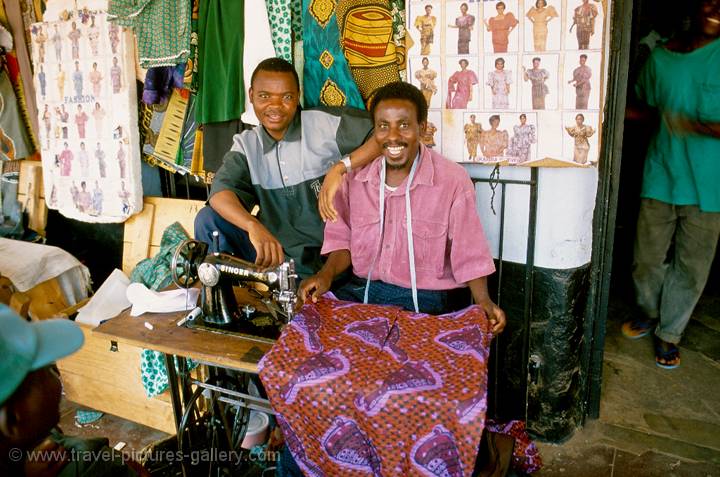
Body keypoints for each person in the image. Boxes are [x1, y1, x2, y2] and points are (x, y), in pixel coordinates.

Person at [299, 81, 506, 328]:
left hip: (427, 299)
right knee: (309, 339)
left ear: (423, 127)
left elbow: (469, 252)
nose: (393, 136)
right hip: (364, 292)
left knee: (418, 363)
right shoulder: (354, 180)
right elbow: (342, 242)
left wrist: (483, 300)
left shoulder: (452, 180)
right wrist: (325, 275)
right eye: (383, 127)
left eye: (404, 125)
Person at [194, 58, 380, 279]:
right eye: (264, 96)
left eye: (286, 97)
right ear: (251, 95)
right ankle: (228, 293)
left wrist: (340, 167)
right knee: (208, 220)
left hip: (332, 254)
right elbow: (219, 194)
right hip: (275, 254)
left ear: (298, 95)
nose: (275, 106)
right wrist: (253, 225)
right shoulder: (247, 144)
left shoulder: (324, 124)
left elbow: (383, 133)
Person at [621, 0, 720, 369]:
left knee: (692, 267)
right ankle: (648, 310)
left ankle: (670, 333)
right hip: (661, 175)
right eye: (709, 0)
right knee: (645, 260)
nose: (716, 8)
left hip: (710, 186)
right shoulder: (661, 59)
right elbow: (642, 106)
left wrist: (698, 126)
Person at [0, 305, 145, 476]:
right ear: (12, 420)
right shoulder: (87, 467)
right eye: (47, 370)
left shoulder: (28, 445)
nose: (57, 379)